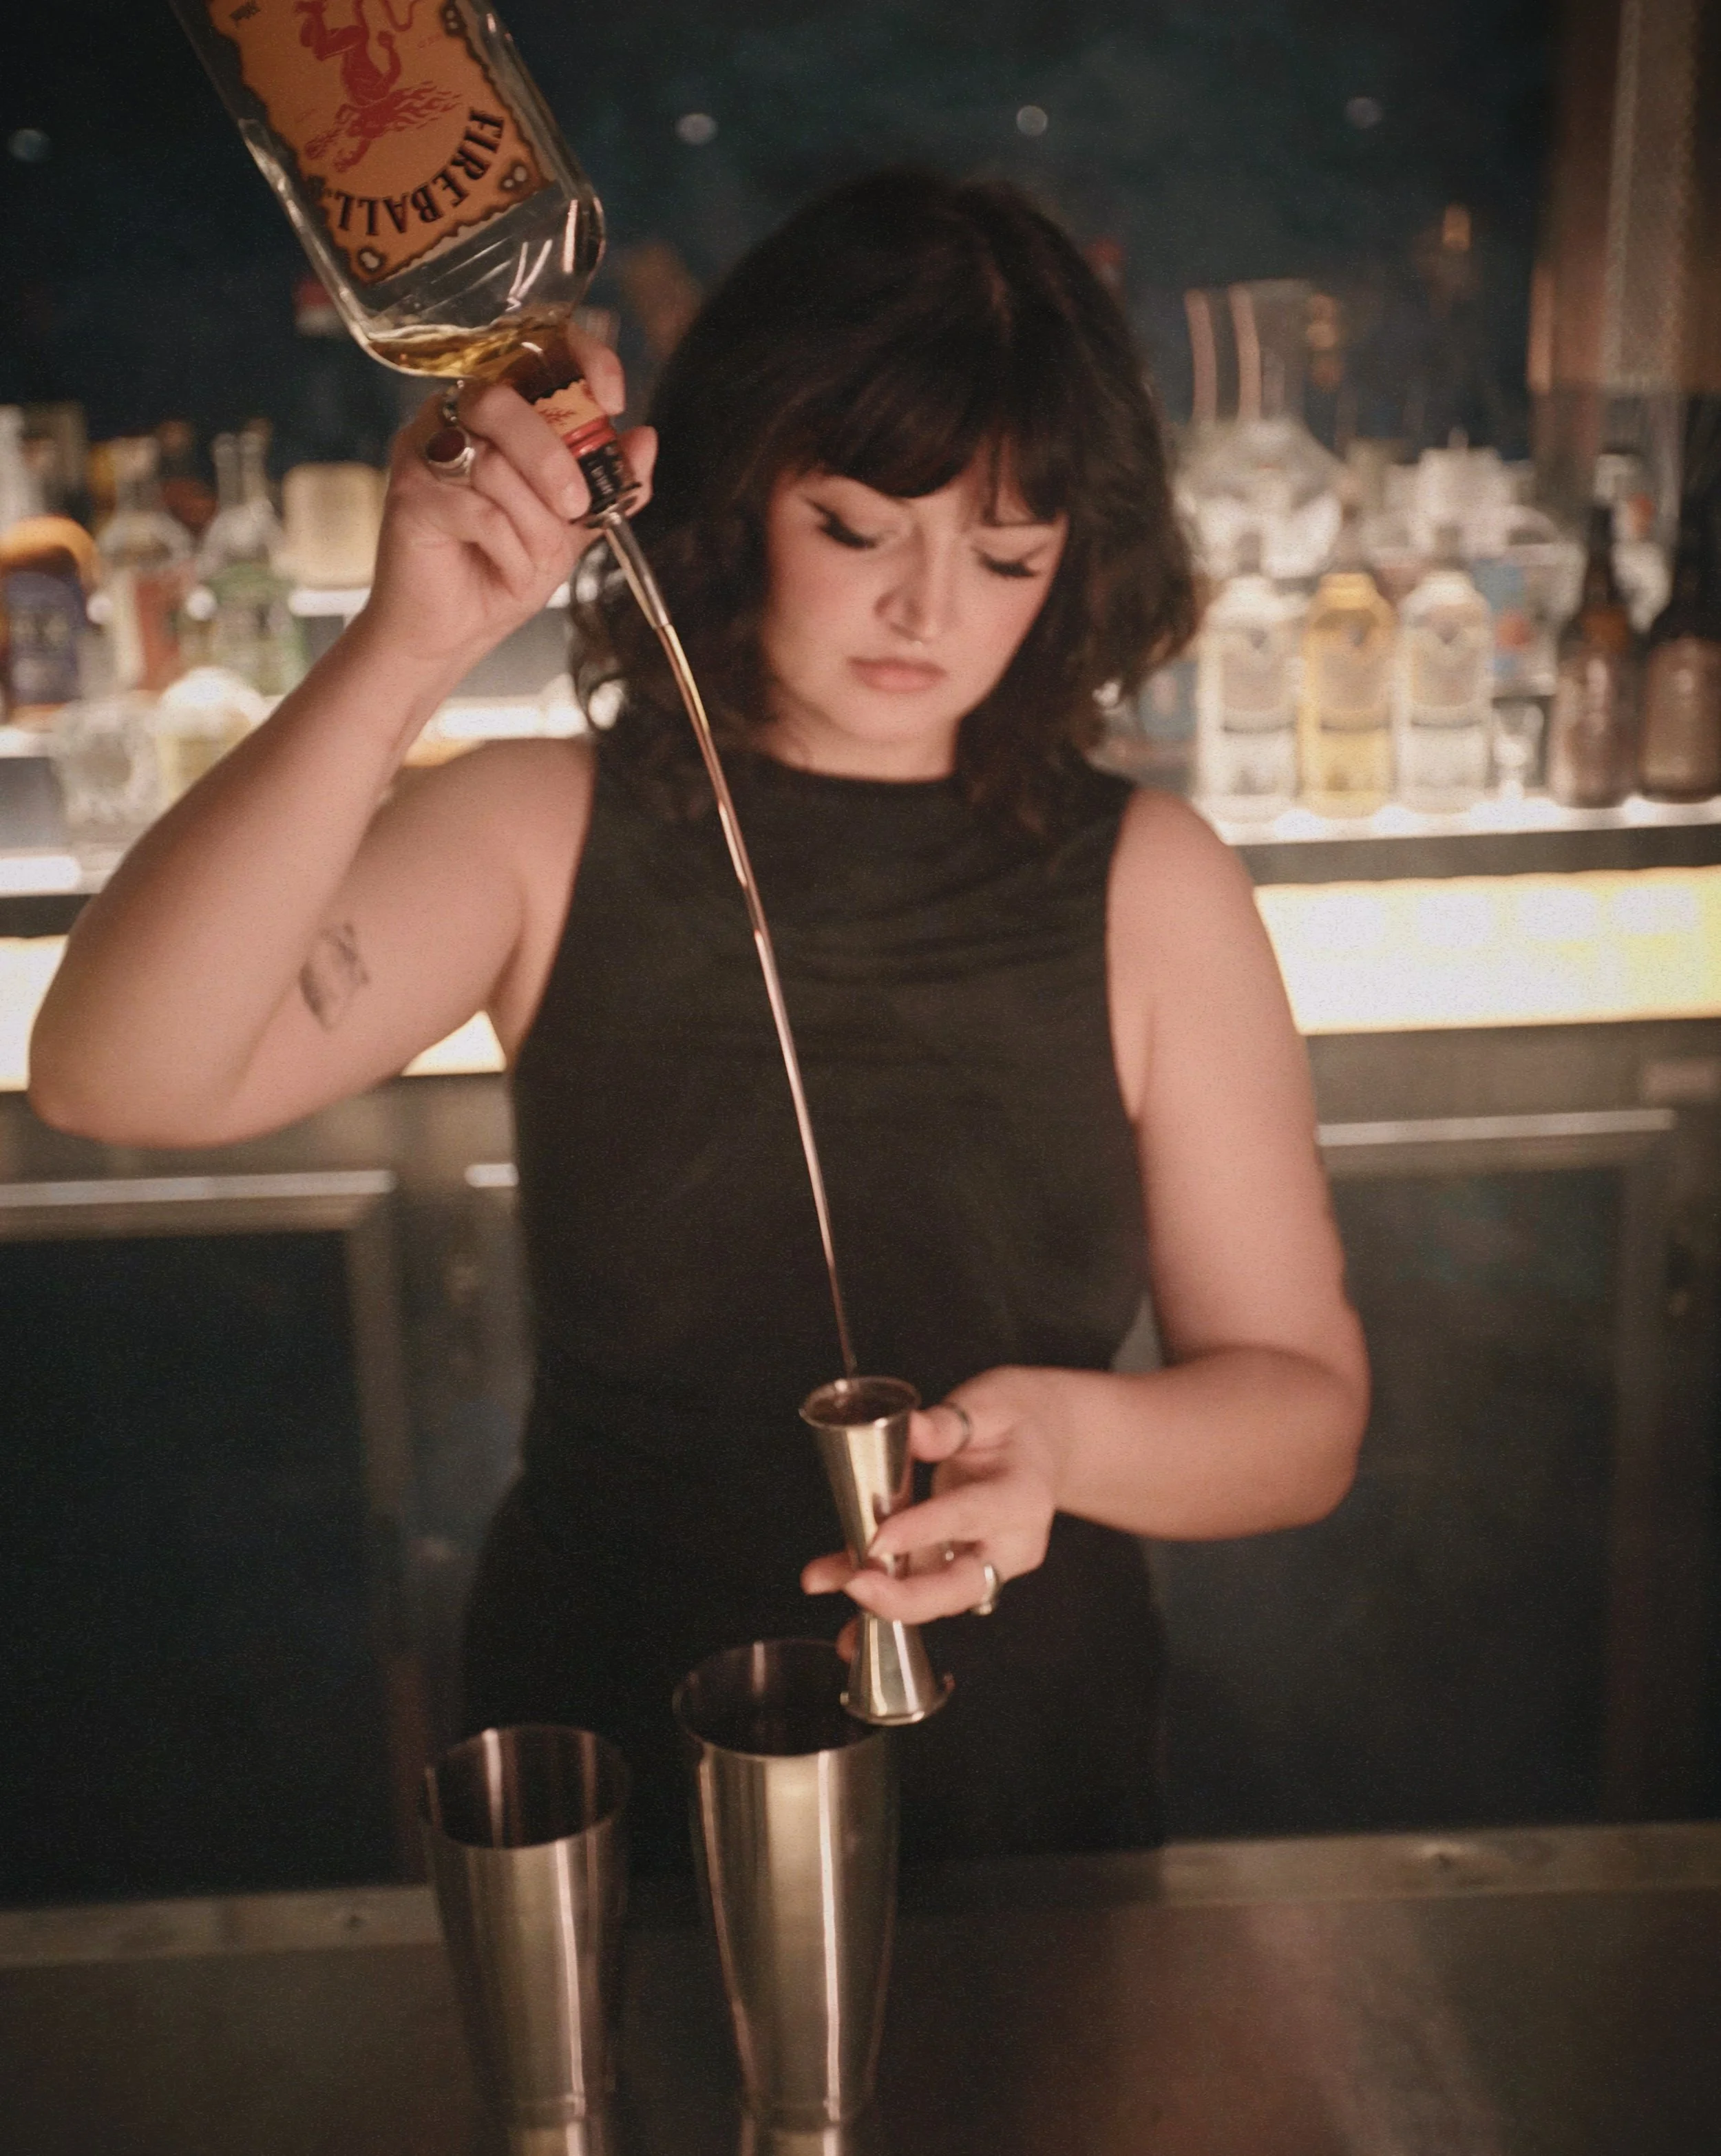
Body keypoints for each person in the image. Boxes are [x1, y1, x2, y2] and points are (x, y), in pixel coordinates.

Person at [29, 171, 1367, 1872]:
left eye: (1004, 553)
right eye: (858, 528)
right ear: (737, 497)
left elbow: (1300, 1418)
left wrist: (1068, 1439)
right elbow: (113, 1075)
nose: (927, 610)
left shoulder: (1150, 881)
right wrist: (408, 645)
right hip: (611, 1739)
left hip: (1019, 1774)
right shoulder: (542, 825)